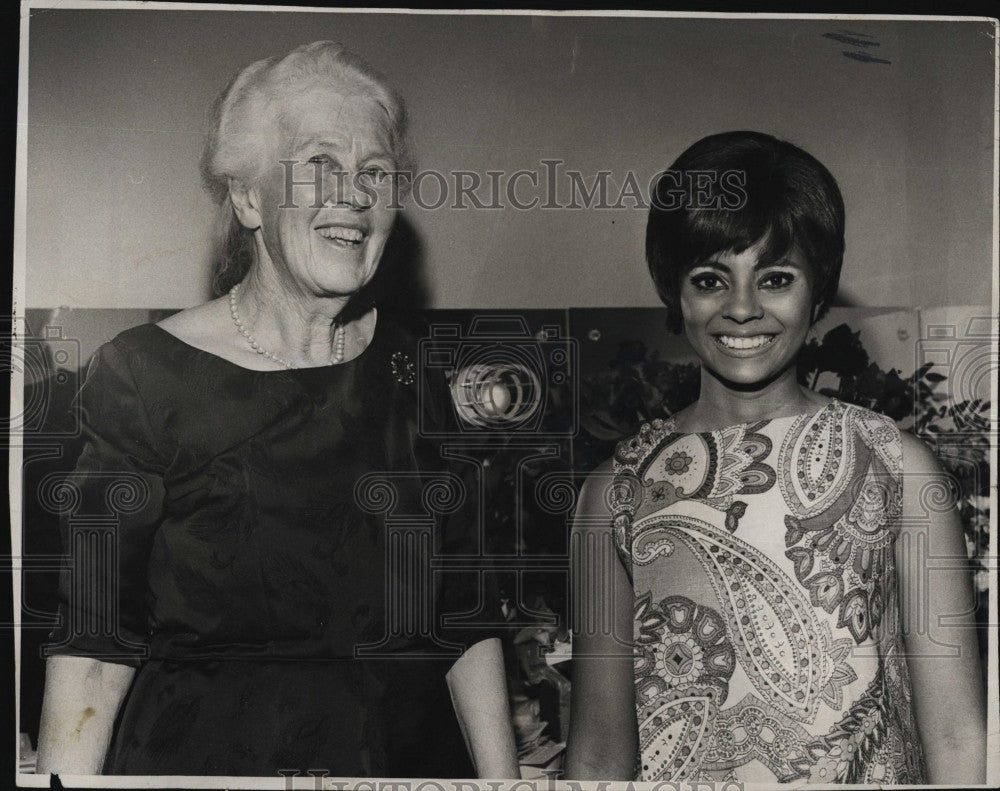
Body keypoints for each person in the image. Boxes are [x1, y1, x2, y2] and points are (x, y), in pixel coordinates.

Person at [35, 41, 518, 778]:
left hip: (402, 764)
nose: (354, 195)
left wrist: (504, 782)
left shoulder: (422, 374)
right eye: (320, 164)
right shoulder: (142, 375)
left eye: (375, 174)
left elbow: (467, 622)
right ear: (249, 197)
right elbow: (96, 647)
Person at [565, 131, 986, 784]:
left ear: (817, 289)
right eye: (711, 279)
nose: (741, 308)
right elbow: (597, 756)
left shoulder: (898, 469)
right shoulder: (614, 494)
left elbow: (961, 738)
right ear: (674, 291)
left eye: (776, 278)